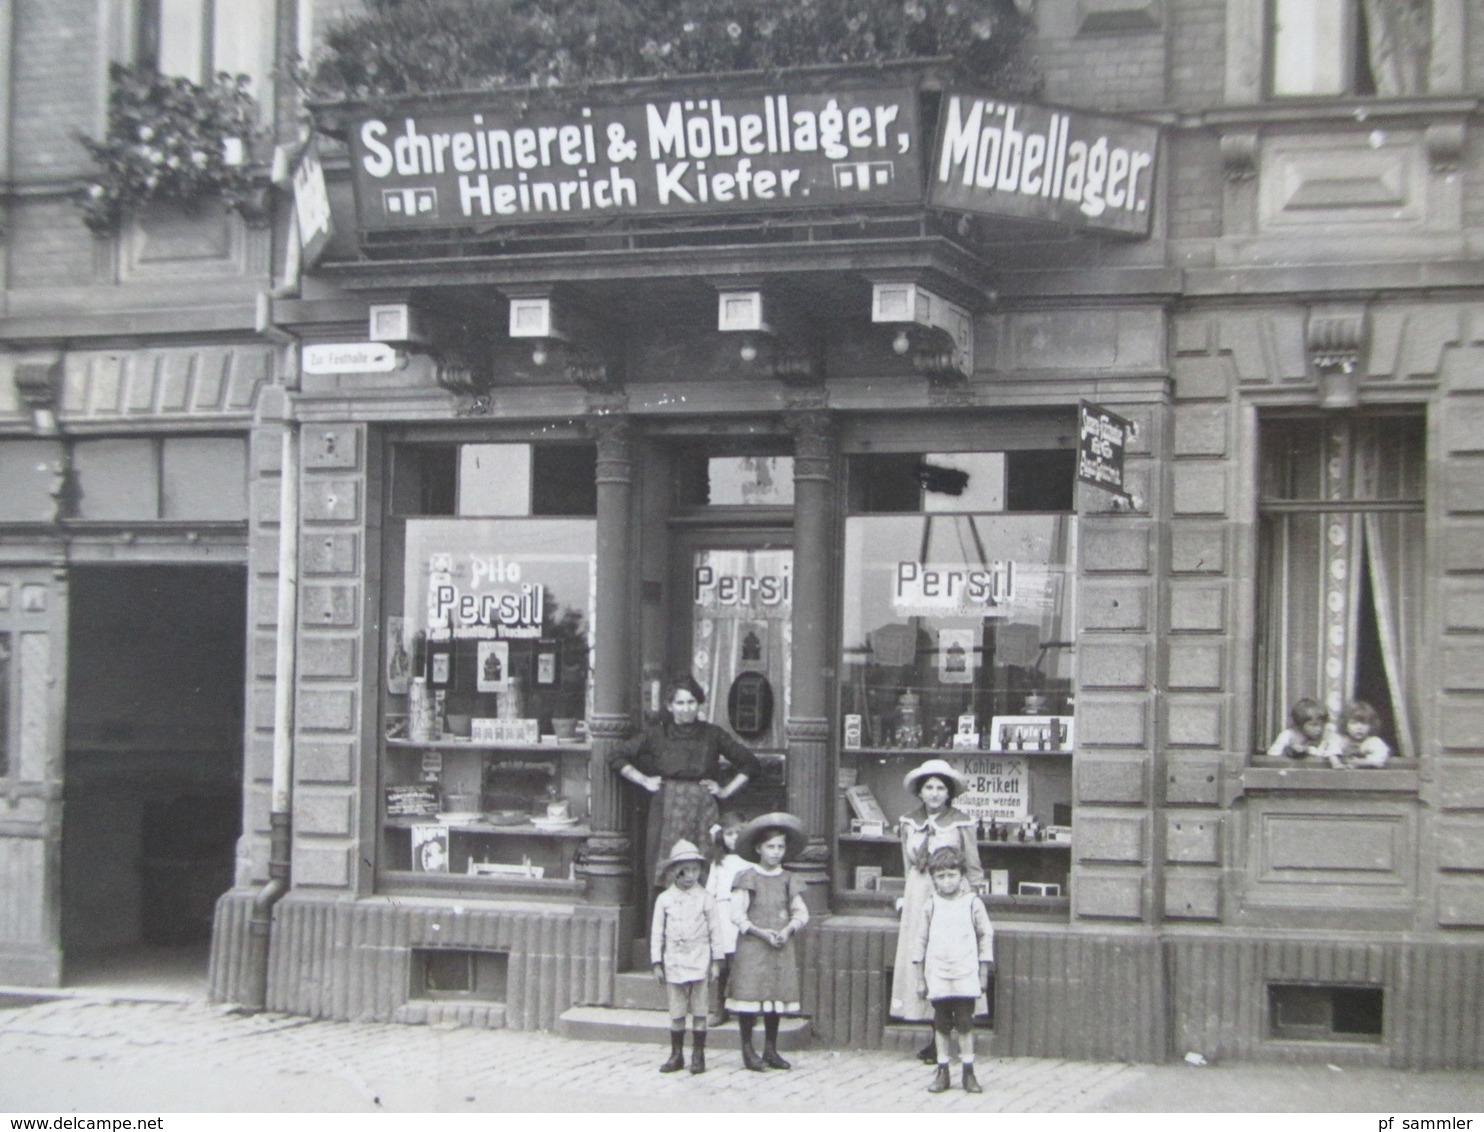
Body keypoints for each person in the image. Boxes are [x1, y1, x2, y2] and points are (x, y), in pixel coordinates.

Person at [609, 675, 760, 889]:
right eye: (680, 703)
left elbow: (750, 764)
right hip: (666, 807)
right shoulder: (656, 734)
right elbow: (616, 756)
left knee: (705, 862)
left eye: (691, 702)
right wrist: (644, 780)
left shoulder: (712, 734)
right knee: (665, 863)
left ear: (699, 704)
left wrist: (725, 791)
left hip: (703, 807)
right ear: (670, 706)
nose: (686, 708)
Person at [891, 758, 983, 1061]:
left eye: (940, 788)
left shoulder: (960, 821)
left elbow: (972, 866)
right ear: (920, 792)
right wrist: (907, 897)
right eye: (928, 787)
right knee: (922, 959)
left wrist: (970, 902)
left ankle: (946, 1036)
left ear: (949, 793)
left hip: (950, 897)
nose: (934, 793)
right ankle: (934, 1037)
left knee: (946, 958)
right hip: (919, 896)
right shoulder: (908, 822)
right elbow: (908, 867)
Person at [726, 812, 809, 1072]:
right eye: (770, 847)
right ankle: (748, 1050)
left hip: (780, 946)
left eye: (780, 847)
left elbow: (801, 912)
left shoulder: (788, 879)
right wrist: (760, 932)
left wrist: (788, 930)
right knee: (750, 997)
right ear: (758, 848)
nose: (776, 852)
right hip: (753, 945)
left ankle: (771, 1049)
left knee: (775, 998)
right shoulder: (747, 877)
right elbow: (736, 914)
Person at [911, 847, 993, 1095]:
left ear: (961, 875)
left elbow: (985, 935)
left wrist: (983, 971)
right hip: (939, 974)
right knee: (942, 1024)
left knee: (966, 1024)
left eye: (952, 875)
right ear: (934, 879)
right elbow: (920, 941)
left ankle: (969, 1072)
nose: (947, 881)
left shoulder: (972, 903)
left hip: (965, 973)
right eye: (941, 876)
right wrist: (919, 978)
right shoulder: (931, 906)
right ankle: (943, 1071)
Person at [650, 839, 725, 1075]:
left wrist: (716, 961)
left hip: (699, 960)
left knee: (700, 1010)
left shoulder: (706, 898)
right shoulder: (664, 900)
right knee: (677, 1012)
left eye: (695, 869)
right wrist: (657, 962)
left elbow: (715, 930)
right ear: (673, 872)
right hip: (674, 961)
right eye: (684, 870)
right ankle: (676, 1054)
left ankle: (698, 1054)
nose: (690, 875)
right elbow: (657, 932)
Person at [705, 810, 749, 1025]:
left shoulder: (750, 862)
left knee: (742, 964)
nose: (734, 838)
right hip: (722, 916)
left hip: (742, 915)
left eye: (738, 833)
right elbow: (710, 892)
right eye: (730, 834)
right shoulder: (718, 862)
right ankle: (720, 1008)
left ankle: (747, 1011)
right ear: (722, 836)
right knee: (722, 965)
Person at [1324, 700, 1392, 769]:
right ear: (1346, 725)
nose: (1359, 728)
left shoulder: (1373, 742)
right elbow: (1331, 749)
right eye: (1354, 723)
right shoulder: (1341, 740)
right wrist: (1336, 763)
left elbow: (1379, 758)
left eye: (1364, 724)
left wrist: (1360, 762)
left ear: (1371, 726)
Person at [1265, 698, 1331, 759]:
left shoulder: (1323, 737)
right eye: (1314, 725)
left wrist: (1308, 750)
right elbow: (1272, 755)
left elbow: (1326, 756)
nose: (1319, 729)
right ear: (1300, 723)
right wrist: (1289, 751)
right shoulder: (1287, 735)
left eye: (1322, 725)